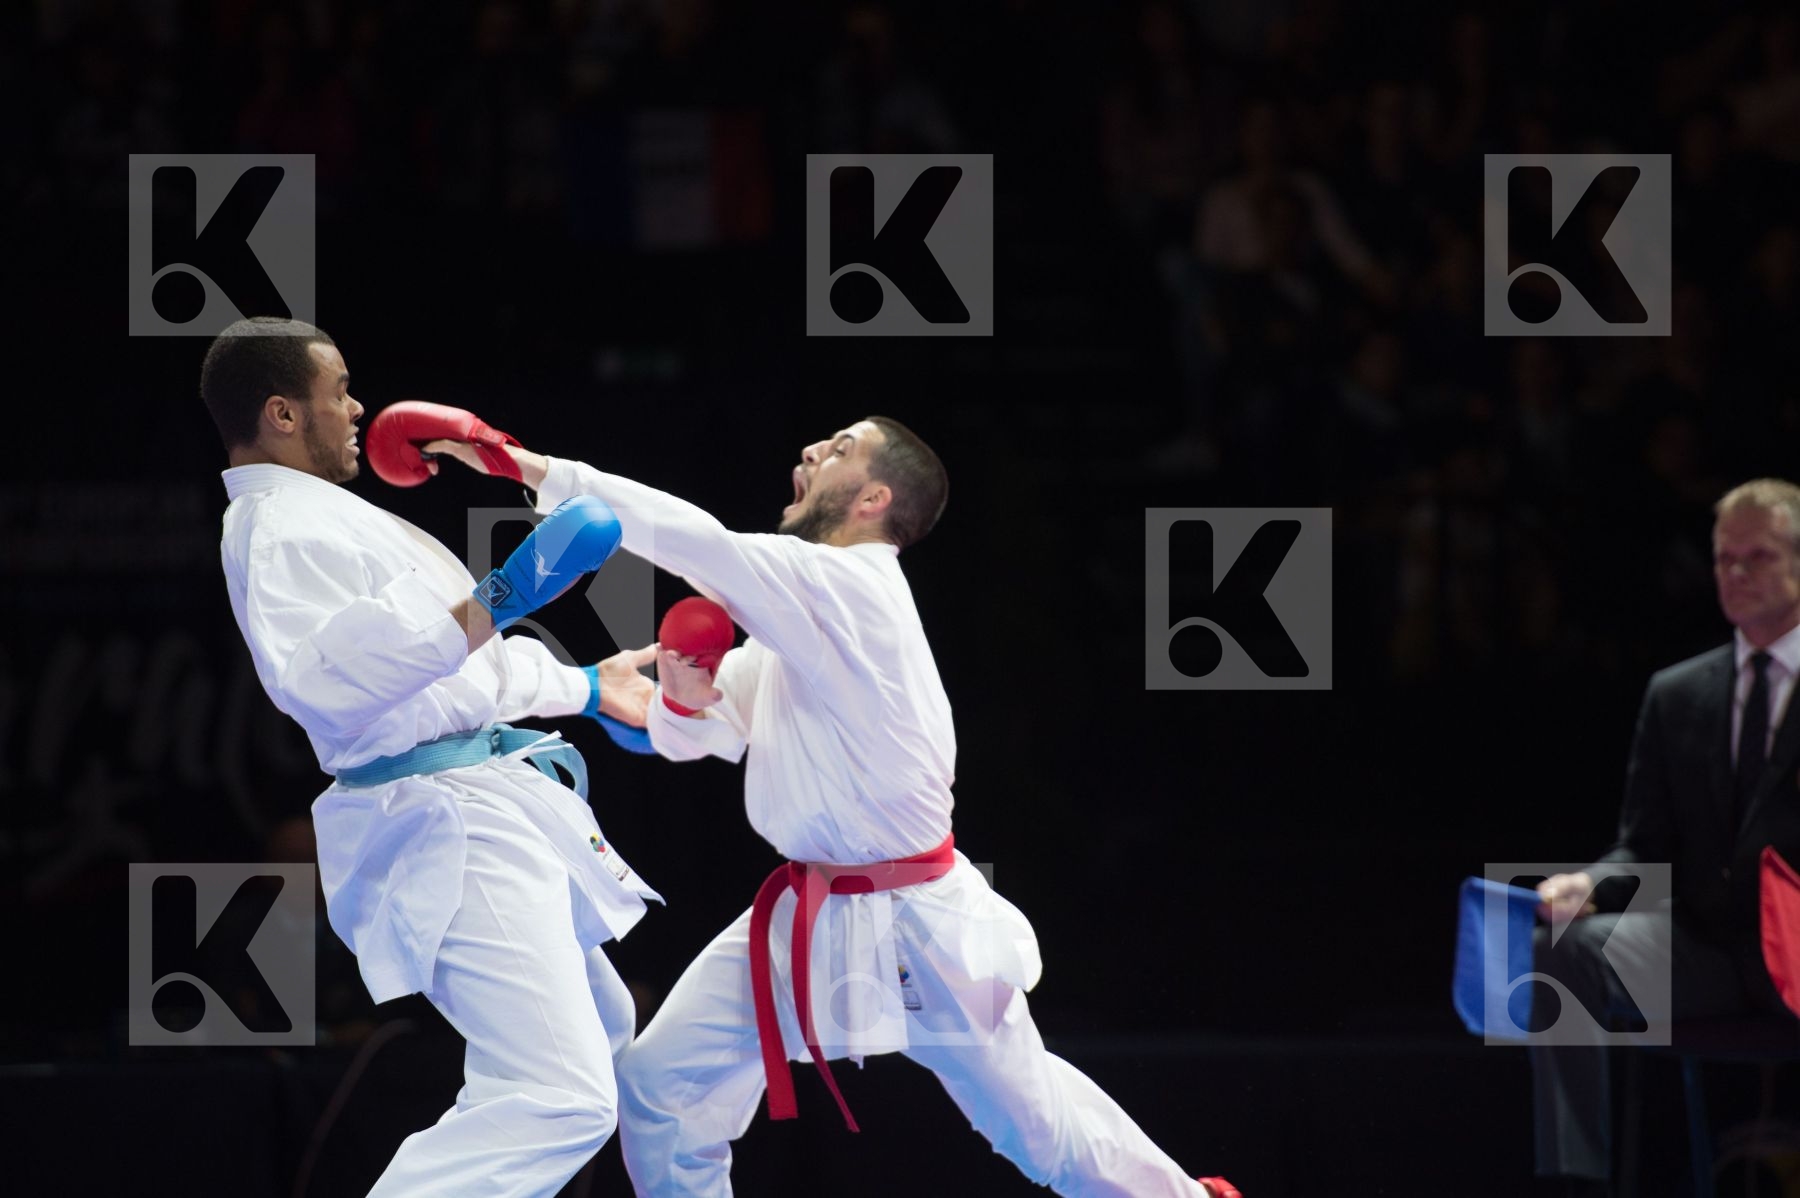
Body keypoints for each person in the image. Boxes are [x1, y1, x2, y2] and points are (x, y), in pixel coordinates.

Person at [425, 416, 1242, 1197]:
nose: (814, 448)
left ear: (874, 498)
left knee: (1036, 1132)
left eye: (842, 446)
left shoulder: (850, 586)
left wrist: (521, 464)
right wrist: (677, 696)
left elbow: (691, 540)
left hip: (916, 923)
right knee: (660, 1089)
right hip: (802, 914)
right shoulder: (796, 631)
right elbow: (691, 738)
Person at [204, 316, 662, 1196]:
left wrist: (591, 688)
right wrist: (500, 595)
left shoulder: (325, 517)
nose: (357, 406)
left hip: (482, 795)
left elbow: (462, 674)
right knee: (557, 1096)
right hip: (445, 824)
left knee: (609, 1051)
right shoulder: (274, 529)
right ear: (283, 413)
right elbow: (327, 684)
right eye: (338, 390)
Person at [1531, 479, 1800, 1195]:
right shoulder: (1677, 693)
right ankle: (1575, 1180)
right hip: (1707, 956)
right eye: (1723, 559)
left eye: (1758, 558)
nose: (1736, 574)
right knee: (1561, 944)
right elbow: (1642, 847)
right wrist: (1585, 884)